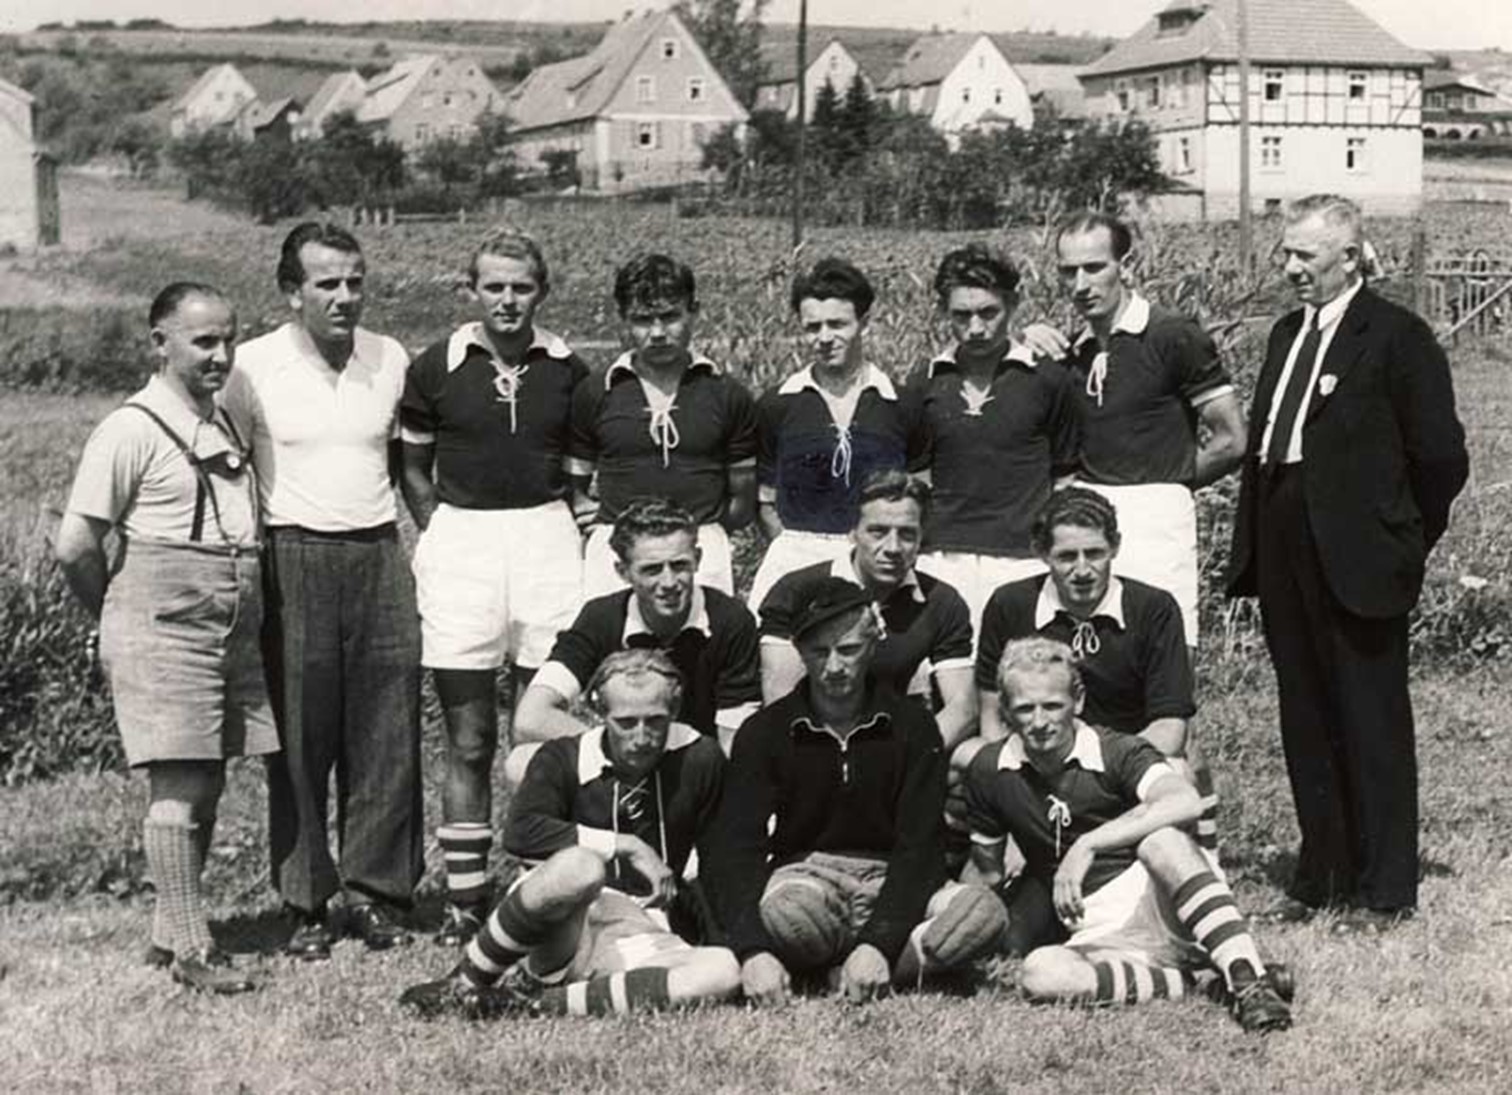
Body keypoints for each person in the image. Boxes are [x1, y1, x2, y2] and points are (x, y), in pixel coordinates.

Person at [1227, 195, 1469, 932]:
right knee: (1305, 711)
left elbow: (1440, 457)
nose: (1290, 268)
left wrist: (1401, 538)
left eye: (1306, 255)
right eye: (1287, 253)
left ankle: (1386, 887)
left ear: (1351, 256)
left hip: (1360, 554)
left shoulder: (1396, 336)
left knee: (1370, 718)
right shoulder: (1286, 334)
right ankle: (1323, 872)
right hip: (1283, 538)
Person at [55, 282, 275, 994]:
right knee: (178, 783)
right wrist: (119, 613)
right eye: (203, 341)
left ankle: (165, 934)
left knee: (207, 776)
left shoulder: (223, 419)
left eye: (229, 340)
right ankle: (193, 949)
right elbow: (75, 545)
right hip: (163, 618)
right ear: (160, 343)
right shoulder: (131, 428)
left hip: (229, 616)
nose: (221, 356)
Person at [223, 222, 422, 960]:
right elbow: (227, 466)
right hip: (292, 553)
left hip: (377, 550)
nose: (344, 297)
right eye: (326, 283)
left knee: (388, 729)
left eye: (354, 282)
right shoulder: (252, 365)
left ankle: (377, 893)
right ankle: (306, 900)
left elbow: (404, 465)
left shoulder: (390, 358)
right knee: (300, 737)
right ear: (291, 292)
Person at [398, 227, 589, 946]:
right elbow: (413, 469)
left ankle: (540, 891)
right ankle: (465, 899)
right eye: (494, 286)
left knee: (537, 733)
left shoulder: (568, 369)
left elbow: (581, 473)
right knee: (471, 737)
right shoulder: (436, 365)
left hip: (545, 539)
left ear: (543, 292)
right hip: (463, 541)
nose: (508, 300)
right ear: (471, 289)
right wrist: (440, 534)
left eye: (522, 287)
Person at [961, 639, 1292, 1033]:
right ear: (1005, 711)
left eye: (1052, 706)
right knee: (1040, 973)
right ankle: (1203, 983)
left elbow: (1185, 800)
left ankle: (1248, 979)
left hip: (1166, 898)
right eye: (1024, 709)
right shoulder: (989, 770)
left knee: (1161, 840)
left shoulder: (1115, 750)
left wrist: (1088, 844)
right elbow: (987, 871)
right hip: (1098, 930)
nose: (1039, 721)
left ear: (1077, 700)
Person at [398, 649, 740, 1020]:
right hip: (563, 917)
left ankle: (524, 1005)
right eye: (626, 723)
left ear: (673, 712)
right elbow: (520, 832)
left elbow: (721, 858)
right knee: (581, 866)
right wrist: (624, 845)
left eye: (655, 721)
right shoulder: (564, 756)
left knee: (721, 971)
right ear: (600, 713)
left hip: (639, 929)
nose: (641, 737)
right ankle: (464, 982)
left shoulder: (698, 757)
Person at [710, 579, 1007, 1005]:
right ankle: (871, 964)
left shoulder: (913, 726)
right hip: (809, 878)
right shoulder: (765, 731)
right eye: (819, 652)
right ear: (799, 650)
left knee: (981, 914)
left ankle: (854, 969)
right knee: (786, 915)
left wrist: (879, 941)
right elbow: (737, 846)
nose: (834, 666)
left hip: (891, 877)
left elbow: (921, 847)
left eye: (848, 650)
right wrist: (753, 950)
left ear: (872, 645)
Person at [1023, 211, 1247, 644]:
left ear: (1125, 266)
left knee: (1165, 652)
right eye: (1069, 271)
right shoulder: (1069, 350)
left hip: (1158, 520)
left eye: (1094, 267)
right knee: (1088, 654)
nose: (1081, 285)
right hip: (1088, 522)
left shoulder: (1172, 334)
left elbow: (1232, 439)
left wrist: (1169, 486)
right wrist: (1022, 341)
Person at [511, 498, 761, 771]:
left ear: (697, 560)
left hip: (696, 768)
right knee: (521, 763)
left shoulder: (729, 620)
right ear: (623, 572)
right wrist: (623, 748)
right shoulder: (601, 617)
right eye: (652, 570)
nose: (669, 582)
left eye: (679, 565)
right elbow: (531, 717)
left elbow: (732, 741)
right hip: (622, 763)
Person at [907, 244, 1079, 634]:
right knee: (949, 666)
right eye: (961, 315)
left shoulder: (1049, 380)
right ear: (942, 311)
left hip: (1023, 560)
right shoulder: (923, 383)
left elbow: (1065, 478)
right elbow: (915, 479)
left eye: (988, 313)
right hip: (941, 559)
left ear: (1013, 304)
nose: (976, 328)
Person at [568, 253, 758, 598]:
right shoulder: (596, 391)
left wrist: (705, 531)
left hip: (701, 548)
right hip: (617, 550)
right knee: (614, 633)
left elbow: (742, 498)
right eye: (642, 320)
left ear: (693, 311)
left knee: (702, 632)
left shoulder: (726, 394)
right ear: (623, 318)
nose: (657, 333)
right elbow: (575, 486)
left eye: (670, 317)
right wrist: (602, 522)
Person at [749, 257, 930, 610]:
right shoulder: (778, 404)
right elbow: (765, 502)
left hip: (879, 563)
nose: (824, 338)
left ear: (864, 322)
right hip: (796, 561)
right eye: (812, 327)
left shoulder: (902, 404)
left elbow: (922, 496)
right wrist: (799, 559)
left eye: (837, 324)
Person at [757, 470, 977, 751]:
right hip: (809, 745)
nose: (893, 548)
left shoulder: (941, 602)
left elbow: (962, 708)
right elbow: (780, 699)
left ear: (922, 537)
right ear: (853, 532)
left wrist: (911, 755)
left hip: (894, 745)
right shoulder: (796, 591)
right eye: (878, 532)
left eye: (907, 534)